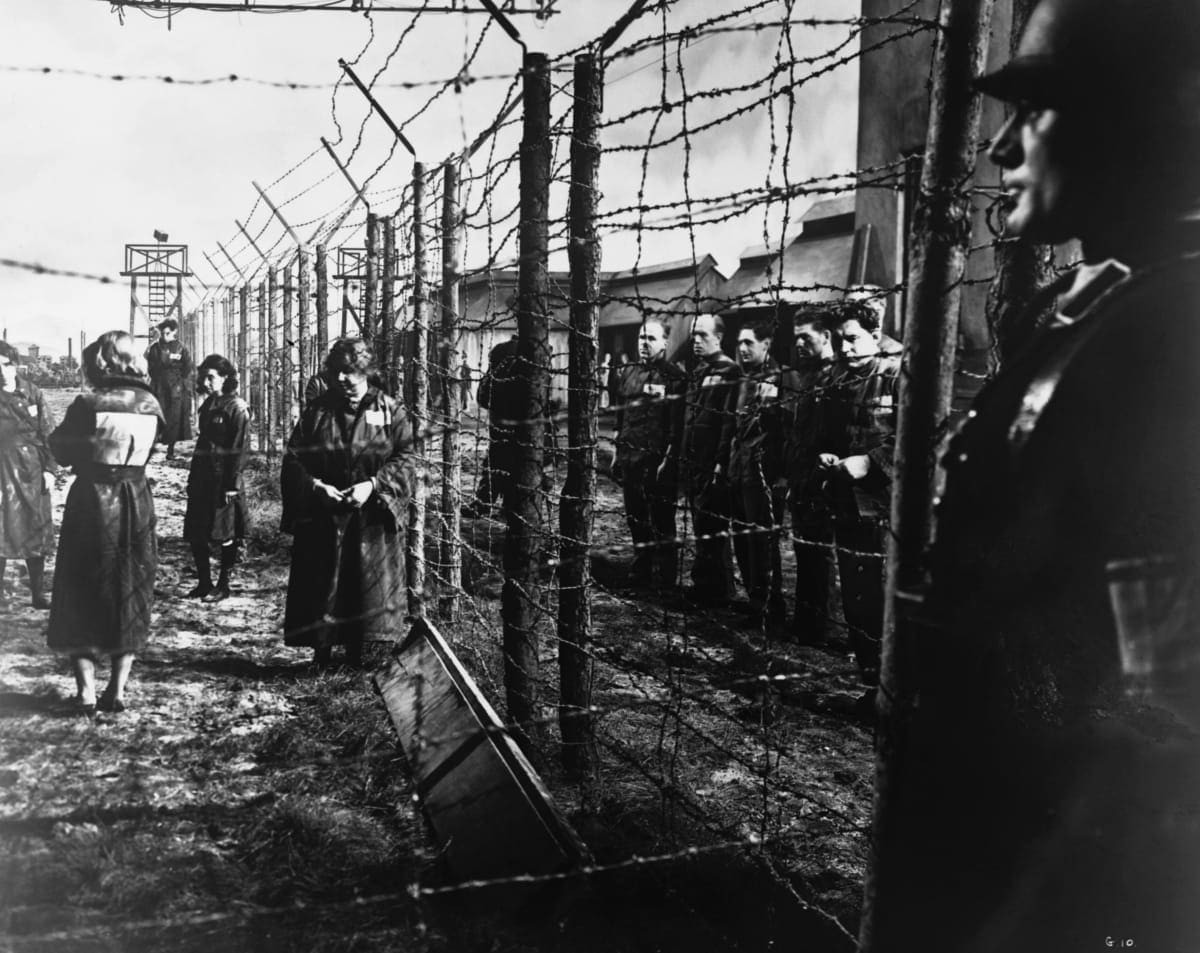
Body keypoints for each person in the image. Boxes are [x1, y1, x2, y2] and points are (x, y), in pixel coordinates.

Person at [871, 2, 1200, 949]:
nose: (1000, 148)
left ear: (1133, 117)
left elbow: (1163, 704)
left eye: (1039, 108)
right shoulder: (1102, 311)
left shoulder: (1170, 342)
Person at [47, 331, 163, 715]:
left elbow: (62, 450)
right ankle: (118, 688)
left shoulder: (87, 403)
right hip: (137, 500)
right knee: (131, 587)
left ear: (104, 361)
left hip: (93, 502)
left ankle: (85, 692)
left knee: (80, 588)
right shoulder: (151, 403)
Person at [281, 338, 415, 667]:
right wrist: (315, 486)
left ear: (365, 371)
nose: (341, 379)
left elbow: (408, 457)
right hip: (325, 513)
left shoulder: (389, 409)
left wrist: (373, 485)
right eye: (336, 372)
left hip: (371, 514)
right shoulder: (318, 411)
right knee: (323, 580)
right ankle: (321, 652)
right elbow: (293, 458)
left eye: (349, 372)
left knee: (365, 582)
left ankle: (359, 651)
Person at [815, 301, 899, 692]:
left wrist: (871, 461)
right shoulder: (837, 378)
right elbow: (829, 433)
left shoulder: (899, 373)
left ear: (875, 335)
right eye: (838, 340)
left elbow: (926, 435)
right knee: (857, 600)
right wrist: (828, 454)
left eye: (852, 339)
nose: (844, 348)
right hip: (847, 505)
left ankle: (894, 691)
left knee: (887, 603)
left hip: (889, 512)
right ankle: (871, 685)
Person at [612, 318, 686, 589]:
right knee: (635, 516)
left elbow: (677, 425)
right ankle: (642, 568)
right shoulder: (628, 372)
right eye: (642, 338)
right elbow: (621, 416)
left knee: (662, 519)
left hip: (657, 461)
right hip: (631, 456)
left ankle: (667, 577)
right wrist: (617, 451)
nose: (644, 344)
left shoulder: (675, 377)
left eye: (651, 339)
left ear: (665, 343)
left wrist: (668, 459)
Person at [779, 307, 838, 644]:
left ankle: (823, 628)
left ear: (826, 337)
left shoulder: (836, 376)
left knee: (821, 556)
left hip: (824, 479)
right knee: (804, 553)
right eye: (796, 337)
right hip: (801, 478)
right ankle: (806, 622)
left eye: (807, 337)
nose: (799, 343)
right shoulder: (807, 376)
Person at [728, 318, 787, 629]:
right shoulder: (744, 379)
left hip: (763, 474)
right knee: (742, 539)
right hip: (740, 470)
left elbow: (781, 431)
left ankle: (770, 609)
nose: (742, 348)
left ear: (766, 345)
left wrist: (780, 477)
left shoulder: (779, 379)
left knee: (762, 542)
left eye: (749, 342)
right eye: (739, 342)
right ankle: (754, 600)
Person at [679, 314, 740, 607]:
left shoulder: (729, 370)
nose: (697, 341)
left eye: (703, 335)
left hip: (712, 463)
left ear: (719, 337)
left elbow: (728, 422)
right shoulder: (701, 371)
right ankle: (705, 585)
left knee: (713, 527)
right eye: (694, 336)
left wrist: (720, 462)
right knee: (701, 525)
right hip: (694, 461)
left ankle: (720, 590)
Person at [183, 354, 250, 603]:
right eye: (204, 377)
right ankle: (204, 582)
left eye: (211, 377)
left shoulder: (237, 408)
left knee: (225, 532)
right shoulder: (209, 404)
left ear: (225, 378)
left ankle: (223, 585)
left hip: (224, 480)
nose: (207, 382)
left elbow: (240, 448)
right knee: (196, 530)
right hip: (202, 475)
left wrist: (232, 484)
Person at [0, 341, 56, 609]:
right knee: (1, 527)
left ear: (14, 365)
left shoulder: (32, 393)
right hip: (2, 469)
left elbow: (49, 434)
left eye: (5, 364)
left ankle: (37, 593)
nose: (1, 371)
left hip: (32, 468)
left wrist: (49, 469)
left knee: (35, 525)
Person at [464, 334, 520, 518]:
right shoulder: (536, 353)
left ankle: (484, 504)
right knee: (518, 464)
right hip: (525, 423)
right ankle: (511, 506)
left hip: (501, 419)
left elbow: (483, 395)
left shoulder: (501, 353)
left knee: (496, 461)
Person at [145, 318, 194, 460]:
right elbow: (151, 368)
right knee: (157, 415)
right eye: (162, 333)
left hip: (176, 387)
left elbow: (187, 366)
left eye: (167, 333)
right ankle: (151, 447)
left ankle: (171, 450)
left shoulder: (181, 347)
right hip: (159, 385)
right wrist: (159, 379)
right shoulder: (154, 348)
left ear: (174, 332)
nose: (164, 336)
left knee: (174, 417)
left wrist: (178, 381)